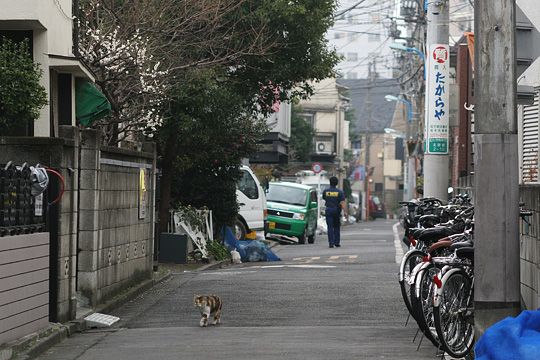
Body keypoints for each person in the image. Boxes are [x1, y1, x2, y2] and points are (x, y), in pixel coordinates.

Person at [322, 176, 347, 248]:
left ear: (330, 182)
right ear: (336, 183)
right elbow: (342, 202)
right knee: (336, 227)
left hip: (328, 210)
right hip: (336, 210)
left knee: (330, 227)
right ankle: (337, 242)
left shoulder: (326, 191)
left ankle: (331, 243)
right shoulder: (340, 192)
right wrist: (345, 212)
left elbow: (324, 198)